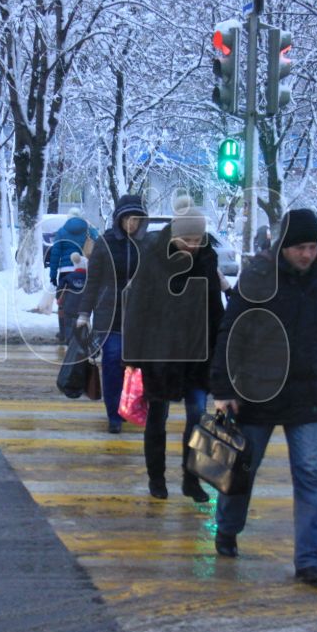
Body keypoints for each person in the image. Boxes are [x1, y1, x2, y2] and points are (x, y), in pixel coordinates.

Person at [210, 208, 317, 588]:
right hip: (258, 391)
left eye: (313, 246)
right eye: (301, 247)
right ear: (284, 246)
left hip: (307, 391)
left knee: (309, 475)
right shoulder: (257, 275)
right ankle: (228, 528)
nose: (308, 254)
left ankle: (310, 561)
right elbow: (230, 333)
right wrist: (223, 390)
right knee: (243, 470)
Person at [121, 196, 225, 502]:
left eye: (197, 239)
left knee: (197, 416)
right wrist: (133, 357)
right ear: (174, 235)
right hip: (161, 353)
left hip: (197, 352)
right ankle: (157, 478)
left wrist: (220, 347)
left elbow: (213, 306)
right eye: (186, 240)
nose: (192, 245)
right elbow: (137, 308)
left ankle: (191, 480)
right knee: (158, 416)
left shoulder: (207, 259)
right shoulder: (153, 257)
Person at [76, 195, 148, 433]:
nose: (132, 224)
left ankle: (129, 406)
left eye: (136, 219)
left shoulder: (145, 245)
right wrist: (84, 314)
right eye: (128, 218)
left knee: (134, 368)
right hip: (110, 316)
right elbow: (93, 281)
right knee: (112, 361)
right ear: (119, 219)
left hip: (138, 318)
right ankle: (114, 414)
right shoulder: (105, 244)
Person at [49, 208, 99, 342]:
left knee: (62, 303)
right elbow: (98, 246)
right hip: (85, 270)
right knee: (83, 301)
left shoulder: (61, 232)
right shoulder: (90, 230)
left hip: (65, 271)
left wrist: (53, 274)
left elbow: (55, 254)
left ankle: (63, 333)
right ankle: (82, 332)